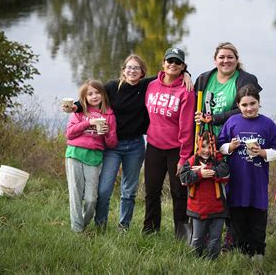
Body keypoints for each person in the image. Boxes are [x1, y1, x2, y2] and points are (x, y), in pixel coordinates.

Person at [62, 54, 193, 232]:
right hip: (112, 146)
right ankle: (101, 225)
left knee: (128, 191)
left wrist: (187, 74)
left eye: (136, 68)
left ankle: (123, 226)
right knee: (104, 190)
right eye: (129, 68)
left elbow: (170, 72)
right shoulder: (111, 87)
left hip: (135, 146)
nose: (132, 71)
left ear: (142, 73)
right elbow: (92, 95)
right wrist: (76, 107)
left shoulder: (148, 85)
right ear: (123, 71)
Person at [194, 41, 262, 249]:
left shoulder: (246, 79)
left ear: (236, 59)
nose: (226, 60)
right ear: (215, 60)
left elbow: (244, 108)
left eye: (230, 57)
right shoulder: (204, 78)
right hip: (207, 144)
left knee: (232, 189)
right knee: (206, 188)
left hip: (233, 141)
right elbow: (194, 107)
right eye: (221, 57)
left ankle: (231, 237)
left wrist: (214, 118)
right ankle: (205, 235)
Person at [218, 84, 276, 258]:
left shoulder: (268, 125)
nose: (249, 108)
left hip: (257, 182)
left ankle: (257, 254)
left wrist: (262, 152)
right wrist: (230, 147)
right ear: (238, 105)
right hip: (236, 181)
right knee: (236, 217)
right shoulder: (232, 122)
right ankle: (237, 251)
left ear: (259, 102)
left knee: (257, 218)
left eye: (252, 104)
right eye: (244, 105)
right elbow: (220, 147)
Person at [143, 47, 196, 239]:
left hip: (176, 150)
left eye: (177, 62)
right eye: (170, 61)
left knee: (179, 193)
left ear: (183, 67)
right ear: (163, 63)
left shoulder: (187, 91)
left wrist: (184, 157)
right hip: (154, 147)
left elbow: (187, 127)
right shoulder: (151, 85)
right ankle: (150, 231)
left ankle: (181, 235)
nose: (173, 65)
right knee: (151, 191)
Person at [64, 79, 118, 232]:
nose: (94, 96)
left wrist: (106, 132)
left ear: (103, 94)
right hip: (75, 153)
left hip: (94, 157)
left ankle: (84, 222)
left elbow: (112, 144)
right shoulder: (80, 112)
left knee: (91, 199)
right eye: (90, 94)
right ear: (84, 97)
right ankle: (77, 229)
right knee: (75, 194)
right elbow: (69, 134)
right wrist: (88, 123)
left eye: (97, 93)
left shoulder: (109, 115)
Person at [179, 131, 229, 259]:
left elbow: (226, 174)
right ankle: (195, 261)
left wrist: (210, 171)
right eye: (204, 146)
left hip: (217, 207)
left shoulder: (219, 160)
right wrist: (200, 174)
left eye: (210, 147)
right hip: (198, 208)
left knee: (215, 238)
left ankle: (212, 261)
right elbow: (184, 179)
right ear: (198, 145)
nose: (206, 150)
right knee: (197, 238)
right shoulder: (192, 161)